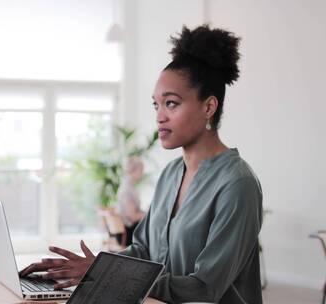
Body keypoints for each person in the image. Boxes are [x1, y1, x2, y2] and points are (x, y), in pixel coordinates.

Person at [20, 24, 263, 304]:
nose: (160, 116)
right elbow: (143, 251)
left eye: (171, 103)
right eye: (156, 105)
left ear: (209, 107)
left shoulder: (237, 184)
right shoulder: (172, 174)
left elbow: (203, 289)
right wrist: (83, 267)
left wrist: (101, 273)